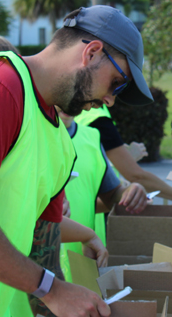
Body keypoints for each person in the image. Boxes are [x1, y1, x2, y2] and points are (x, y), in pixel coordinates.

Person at [0, 4, 153, 317]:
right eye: (117, 82)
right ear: (92, 52)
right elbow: (47, 284)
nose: (110, 101)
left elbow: (44, 253)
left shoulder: (61, 146)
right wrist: (52, 291)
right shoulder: (5, 90)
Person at [57, 107, 148, 281]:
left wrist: (131, 191)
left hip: (85, 263)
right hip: (32, 273)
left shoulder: (92, 137)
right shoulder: (27, 134)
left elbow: (111, 194)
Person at [75, 105, 172, 208]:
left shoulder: (86, 116)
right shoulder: (96, 119)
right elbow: (136, 176)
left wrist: (122, 159)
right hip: (83, 227)